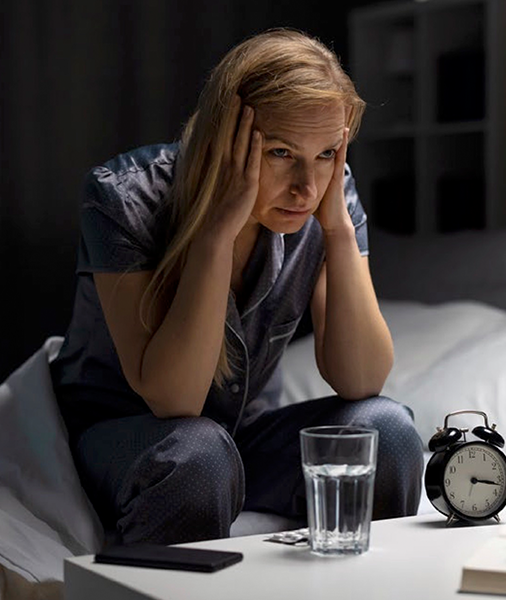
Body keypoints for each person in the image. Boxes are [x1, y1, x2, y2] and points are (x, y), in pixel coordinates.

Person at [50, 28, 424, 546]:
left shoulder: (327, 200)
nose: (306, 187)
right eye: (280, 152)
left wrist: (337, 231)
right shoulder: (124, 196)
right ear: (225, 139)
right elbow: (174, 398)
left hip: (241, 440)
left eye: (326, 154)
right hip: (131, 441)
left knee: (386, 431)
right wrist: (216, 234)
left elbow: (360, 380)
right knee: (198, 453)